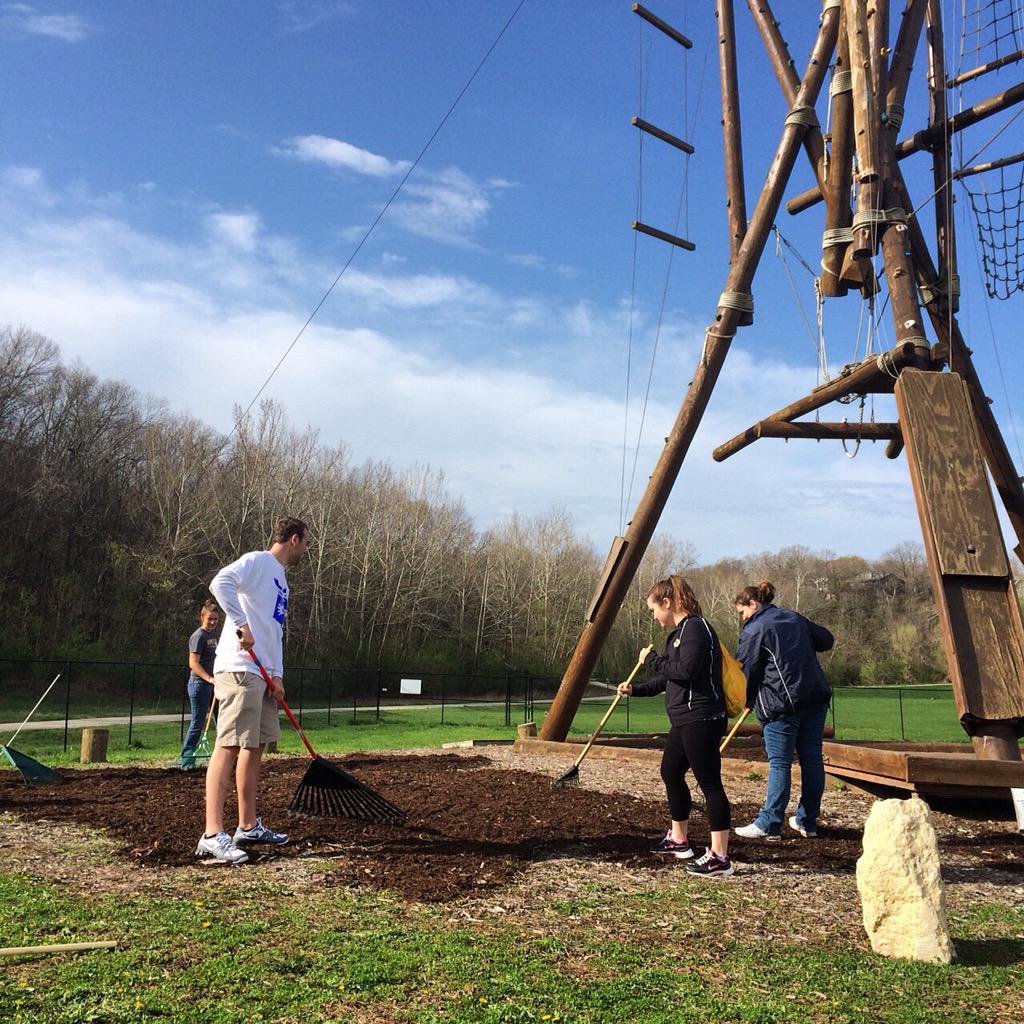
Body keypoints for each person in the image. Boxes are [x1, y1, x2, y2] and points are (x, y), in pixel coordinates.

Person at [195, 516, 310, 865]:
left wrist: (277, 674)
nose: (307, 549)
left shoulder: (282, 580)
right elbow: (221, 583)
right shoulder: (258, 561)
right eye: (306, 542)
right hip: (240, 669)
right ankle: (213, 834)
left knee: (255, 746)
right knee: (228, 745)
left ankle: (247, 825)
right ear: (294, 539)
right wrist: (241, 625)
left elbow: (273, 631)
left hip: (262, 676)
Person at [619, 575, 734, 878]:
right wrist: (637, 690)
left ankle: (720, 857)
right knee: (670, 772)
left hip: (702, 718)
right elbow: (669, 677)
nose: (654, 617)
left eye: (653, 609)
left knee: (710, 784)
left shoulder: (696, 628)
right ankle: (679, 840)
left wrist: (653, 659)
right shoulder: (679, 633)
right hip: (684, 720)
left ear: (667, 603)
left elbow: (686, 671)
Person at [733, 581, 834, 842]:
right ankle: (807, 821)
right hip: (815, 697)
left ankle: (770, 822)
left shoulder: (756, 628)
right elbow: (826, 639)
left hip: (782, 703)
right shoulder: (793, 617)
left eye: (742, 612)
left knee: (780, 762)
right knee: (812, 759)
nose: (742, 618)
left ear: (753, 604)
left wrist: (745, 698)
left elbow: (747, 669)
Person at [179, 600, 220, 769]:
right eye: (209, 619)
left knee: (222, 721)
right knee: (197, 722)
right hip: (199, 684)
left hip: (214, 685)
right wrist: (208, 678)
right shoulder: (198, 636)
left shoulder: (213, 637)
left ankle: (221, 760)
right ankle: (187, 761)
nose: (212, 622)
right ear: (202, 617)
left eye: (215, 619)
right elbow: (193, 663)